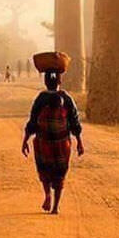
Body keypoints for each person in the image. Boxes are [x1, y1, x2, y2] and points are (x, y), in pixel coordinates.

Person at [21, 69, 84, 214]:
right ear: (60, 81)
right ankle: (55, 206)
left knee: (44, 170)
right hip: (62, 143)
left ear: (45, 81)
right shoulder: (66, 98)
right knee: (60, 173)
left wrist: (25, 140)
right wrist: (79, 141)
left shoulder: (40, 99)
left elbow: (32, 121)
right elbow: (74, 121)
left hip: (43, 143)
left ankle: (47, 195)